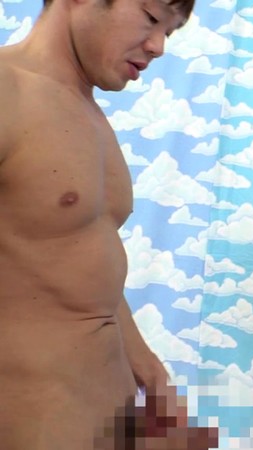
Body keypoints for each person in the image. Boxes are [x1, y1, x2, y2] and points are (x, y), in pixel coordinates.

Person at [0, 0, 218, 449]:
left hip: (111, 421)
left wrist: (153, 377)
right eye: (151, 17)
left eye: (170, 32)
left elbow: (72, 263)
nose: (158, 46)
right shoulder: (6, 91)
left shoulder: (90, 114)